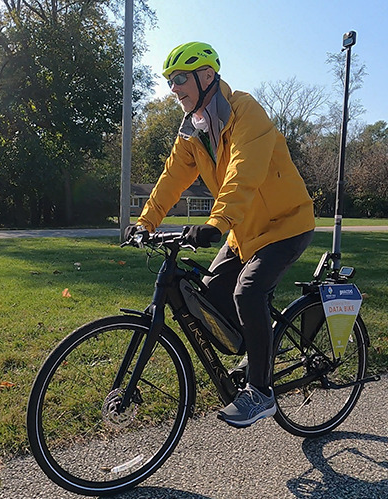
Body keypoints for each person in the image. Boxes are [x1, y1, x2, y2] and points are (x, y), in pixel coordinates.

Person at [125, 42, 316, 428]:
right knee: (211, 296)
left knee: (248, 292)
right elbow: (171, 178)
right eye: (170, 82)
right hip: (243, 231)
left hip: (286, 223)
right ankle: (259, 352)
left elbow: (244, 172)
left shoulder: (247, 112)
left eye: (180, 79)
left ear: (207, 76)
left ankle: (261, 393)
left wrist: (217, 221)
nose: (174, 88)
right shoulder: (192, 130)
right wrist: (146, 221)